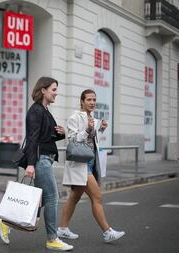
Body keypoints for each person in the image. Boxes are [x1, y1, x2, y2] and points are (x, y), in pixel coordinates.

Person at [0, 77, 73, 251]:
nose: (56, 92)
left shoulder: (45, 111)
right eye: (54, 89)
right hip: (41, 160)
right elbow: (32, 139)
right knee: (52, 198)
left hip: (46, 158)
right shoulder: (36, 111)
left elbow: (47, 137)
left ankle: (6, 221)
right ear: (43, 90)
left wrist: (62, 133)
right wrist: (31, 164)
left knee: (40, 199)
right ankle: (52, 239)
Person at [57, 89, 125, 243]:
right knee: (97, 197)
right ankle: (107, 232)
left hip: (91, 161)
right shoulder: (75, 117)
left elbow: (92, 141)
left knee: (74, 197)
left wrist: (100, 129)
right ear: (82, 101)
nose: (92, 102)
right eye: (89, 99)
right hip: (81, 163)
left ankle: (62, 228)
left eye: (94, 99)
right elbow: (72, 140)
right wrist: (88, 129)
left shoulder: (91, 117)